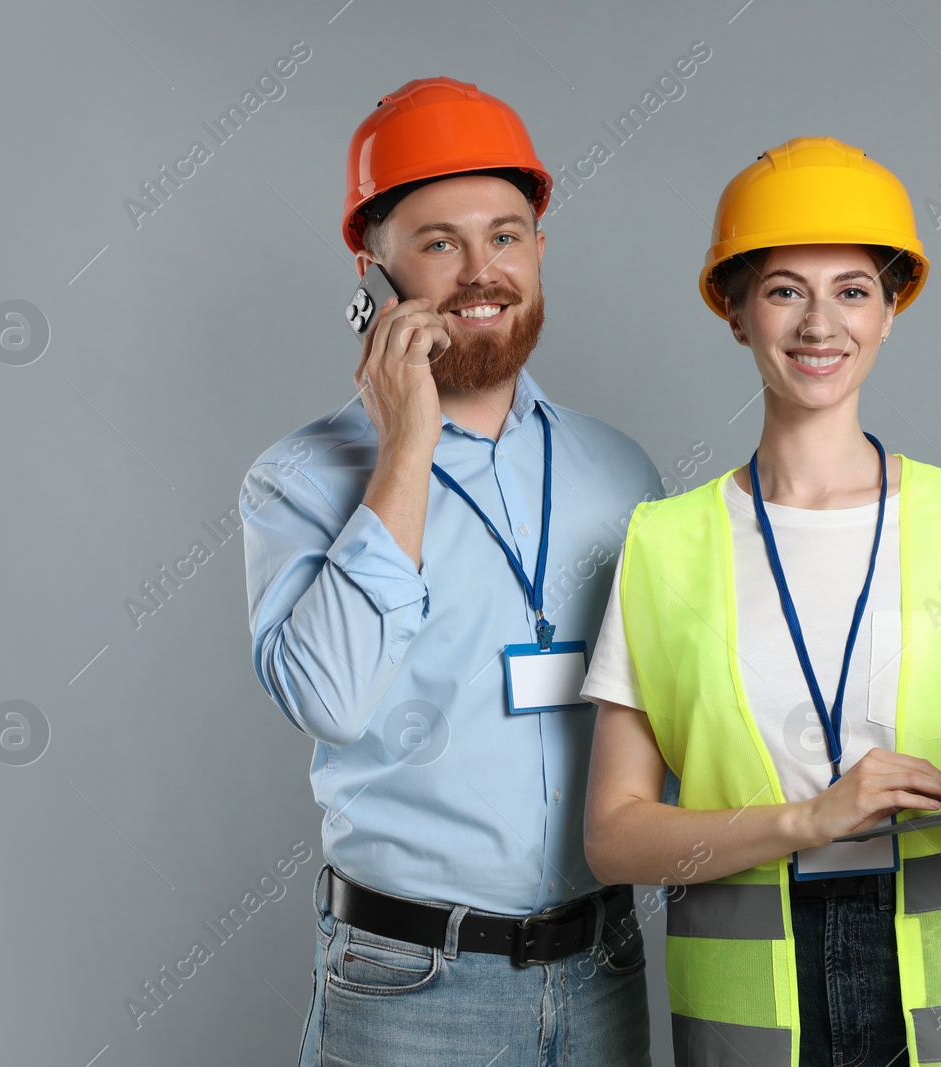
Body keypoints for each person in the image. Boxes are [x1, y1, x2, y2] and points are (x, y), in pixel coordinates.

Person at [581, 136, 941, 1067]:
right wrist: (808, 820)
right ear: (735, 313)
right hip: (755, 1007)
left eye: (853, 289)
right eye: (783, 290)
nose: (821, 323)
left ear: (892, 310)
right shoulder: (663, 542)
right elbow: (614, 838)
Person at [241, 77, 660, 1067]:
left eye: (506, 235)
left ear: (540, 251)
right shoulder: (298, 478)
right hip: (411, 986)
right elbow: (332, 698)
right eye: (440, 243)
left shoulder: (619, 468)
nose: (483, 273)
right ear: (372, 271)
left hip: (604, 962)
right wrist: (406, 447)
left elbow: (667, 712)